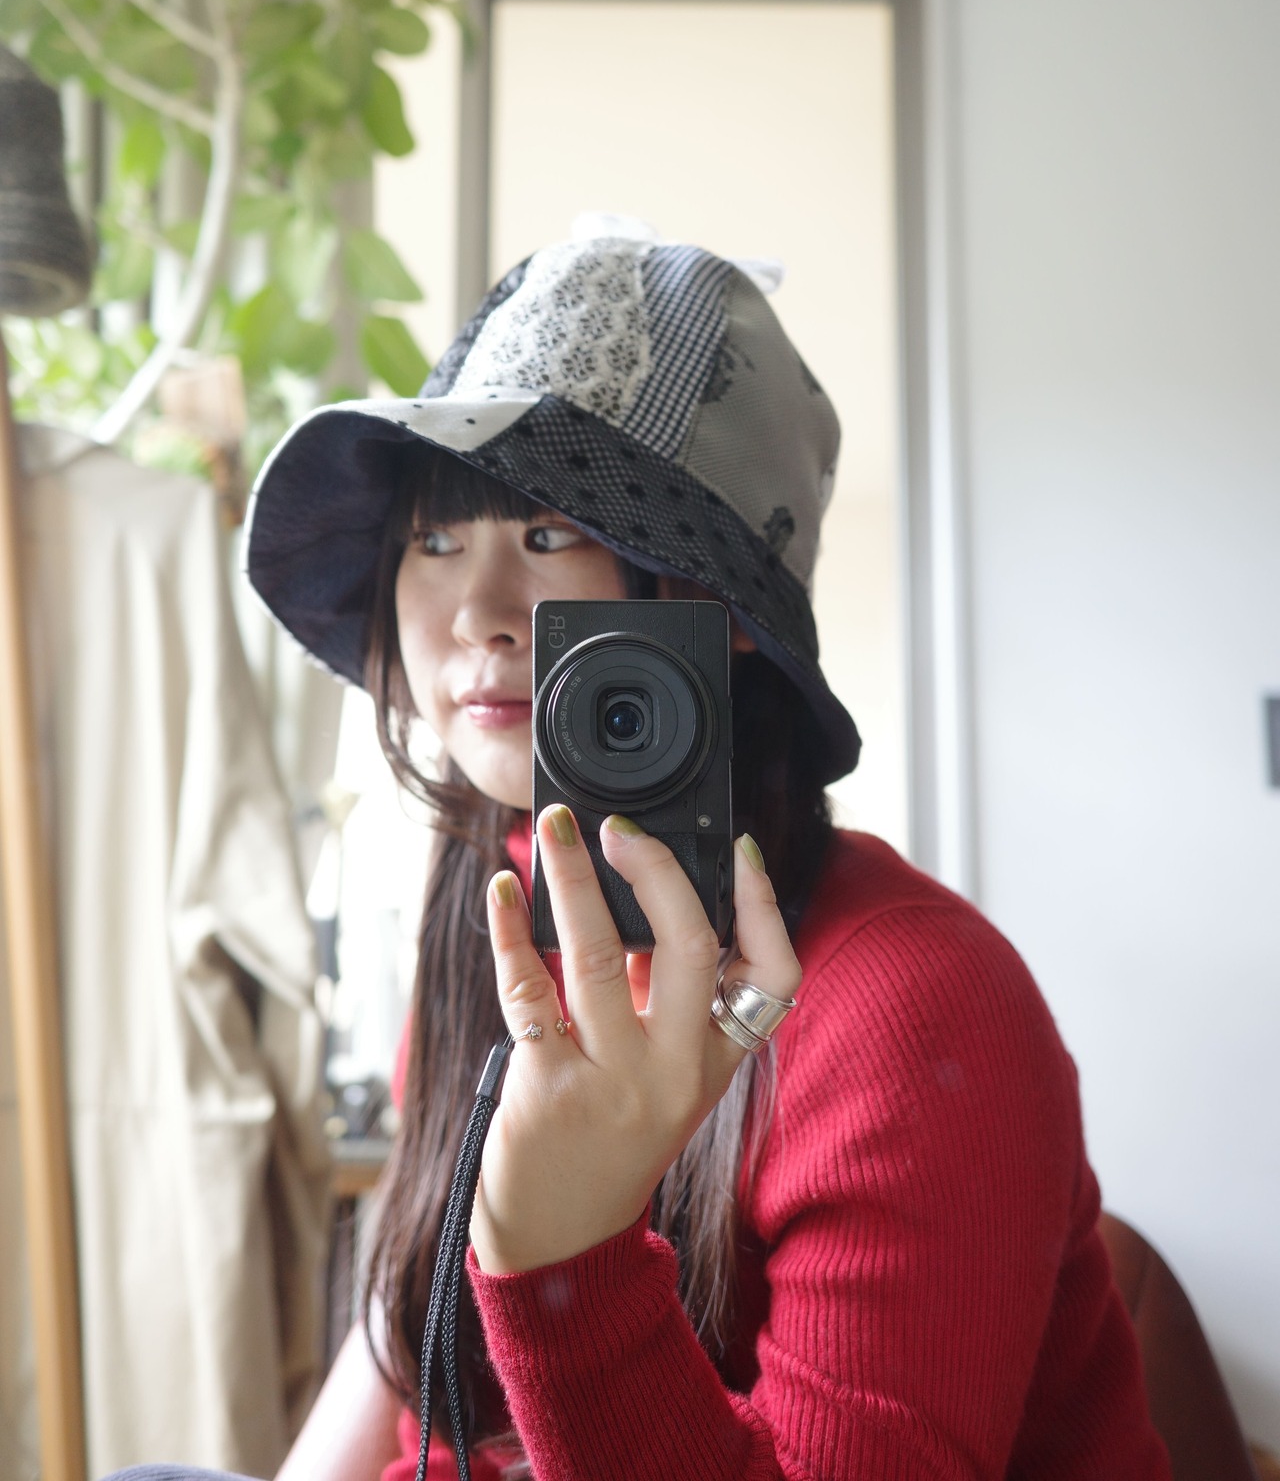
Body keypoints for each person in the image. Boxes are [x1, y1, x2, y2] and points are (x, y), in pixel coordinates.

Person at [111, 228, 1172, 1481]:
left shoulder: (914, 1006)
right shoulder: (493, 917)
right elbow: (409, 1358)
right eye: (434, 541)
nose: (477, 614)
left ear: (714, 609)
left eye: (550, 534)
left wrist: (564, 1254)